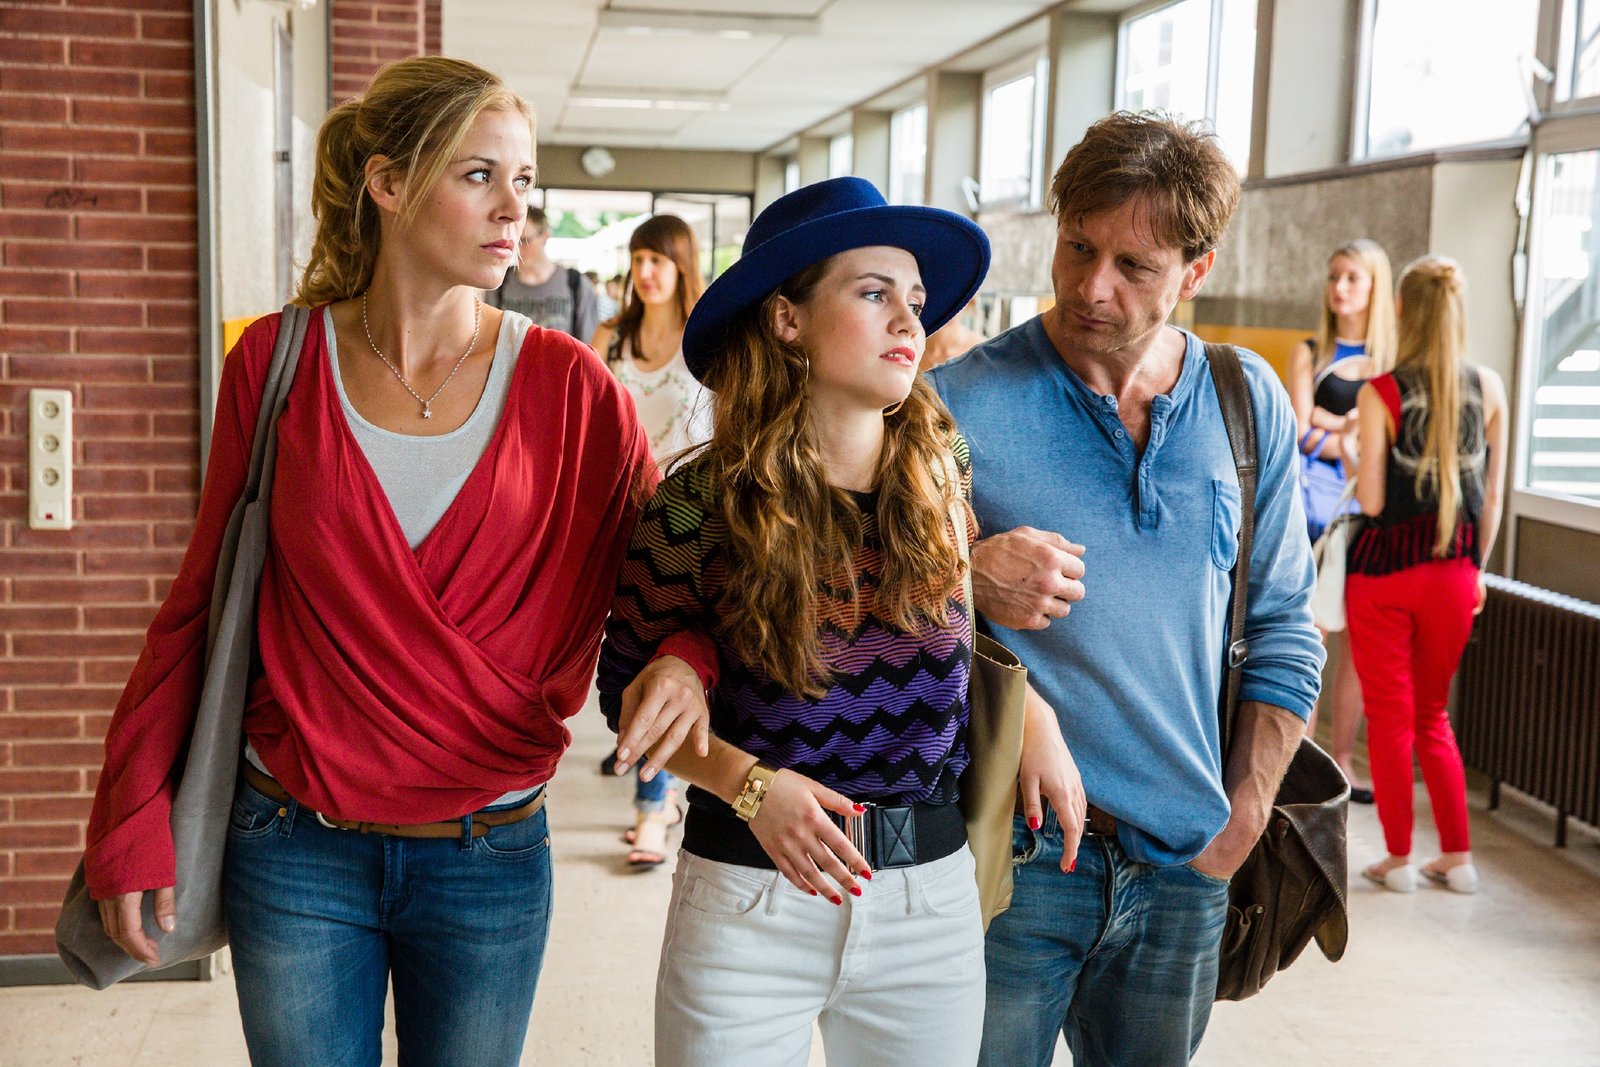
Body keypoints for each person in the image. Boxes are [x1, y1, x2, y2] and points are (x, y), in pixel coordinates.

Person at [83, 56, 710, 1066]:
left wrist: (687, 657)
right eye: (479, 175)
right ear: (386, 182)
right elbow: (199, 603)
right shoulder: (274, 362)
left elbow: (675, 581)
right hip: (294, 844)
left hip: (489, 849)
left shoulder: (572, 387)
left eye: (523, 179)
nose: (513, 207)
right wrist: (131, 811)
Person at [596, 176, 1085, 1067]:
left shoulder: (942, 470)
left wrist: (1033, 711)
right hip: (748, 898)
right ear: (788, 319)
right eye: (872, 293)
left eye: (915, 300)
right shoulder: (697, 502)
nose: (908, 320)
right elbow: (626, 701)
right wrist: (750, 785)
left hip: (926, 901)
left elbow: (929, 624)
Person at [929, 112, 1326, 1066]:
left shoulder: (1246, 401)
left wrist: (1242, 817)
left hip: (1186, 859)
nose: (1090, 286)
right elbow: (866, 601)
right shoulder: (957, 404)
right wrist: (967, 575)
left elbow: (1283, 624)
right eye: (1078, 246)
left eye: (1134, 266)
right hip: (1015, 857)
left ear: (1195, 271)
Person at [1348, 256, 1507, 896]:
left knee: (1390, 717)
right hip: (1455, 574)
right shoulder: (1489, 388)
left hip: (1384, 574)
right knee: (1433, 716)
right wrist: (1476, 571)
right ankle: (1459, 858)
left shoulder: (1380, 392)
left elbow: (1372, 500)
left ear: (1401, 311)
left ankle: (1398, 859)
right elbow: (1490, 501)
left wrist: (1354, 451)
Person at [590, 214, 711, 866]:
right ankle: (649, 783)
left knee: (660, 657)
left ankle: (651, 809)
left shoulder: (706, 338)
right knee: (615, 657)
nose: (646, 272)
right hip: (616, 513)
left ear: (682, 266)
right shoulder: (611, 336)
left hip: (684, 525)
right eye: (638, 259)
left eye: (658, 260)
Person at [1288, 238, 1397, 805]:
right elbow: (1297, 429)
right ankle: (1299, 756)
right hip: (1317, 515)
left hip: (1371, 513)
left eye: (1353, 277)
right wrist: (1350, 432)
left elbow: (1390, 440)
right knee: (1312, 636)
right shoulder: (1310, 352)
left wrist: (1332, 426)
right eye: (1334, 276)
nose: (1340, 288)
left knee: (1360, 643)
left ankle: (1345, 761)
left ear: (1375, 286)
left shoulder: (1392, 359)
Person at [486, 205, 600, 341]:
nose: (518, 249)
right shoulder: (499, 284)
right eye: (513, 242)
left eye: (525, 241)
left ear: (545, 236)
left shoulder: (576, 284)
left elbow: (591, 344)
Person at [923, 296, 985, 368]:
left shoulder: (983, 352)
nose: (946, 310)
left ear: (969, 302)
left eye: (953, 299)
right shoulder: (914, 346)